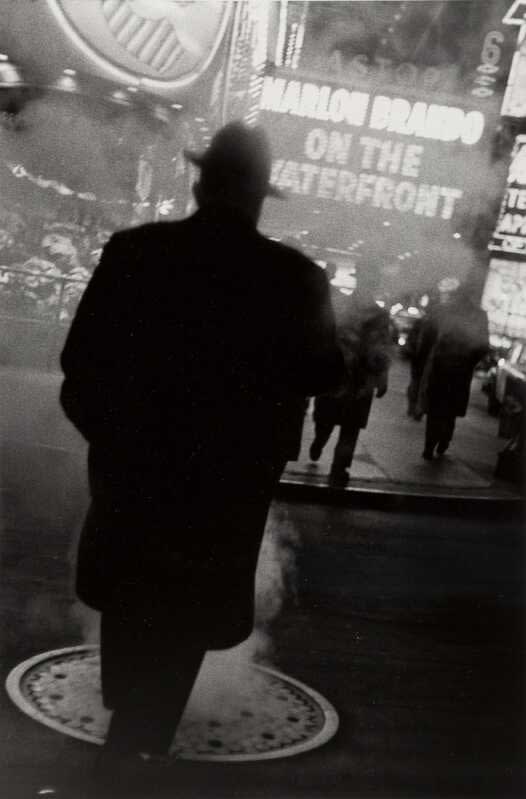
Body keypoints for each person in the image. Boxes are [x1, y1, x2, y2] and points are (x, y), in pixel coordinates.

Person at [60, 121, 343, 767]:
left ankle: (125, 746)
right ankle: (138, 750)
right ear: (258, 196)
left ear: (199, 182)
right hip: (219, 508)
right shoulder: (294, 279)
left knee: (130, 624)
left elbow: (79, 368)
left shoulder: (135, 253)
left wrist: (117, 444)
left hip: (132, 492)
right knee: (177, 640)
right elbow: (325, 372)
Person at [309, 269, 391, 487]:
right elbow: (382, 349)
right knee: (349, 426)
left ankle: (325, 449)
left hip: (337, 374)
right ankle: (338, 465)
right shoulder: (379, 315)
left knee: (330, 419)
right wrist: (381, 377)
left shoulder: (340, 305)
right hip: (357, 380)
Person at [416, 283, 489, 460]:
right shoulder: (478, 315)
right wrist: (470, 362)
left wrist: (423, 359)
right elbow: (483, 346)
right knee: (449, 410)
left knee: (435, 407)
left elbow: (426, 338)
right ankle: (443, 441)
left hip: (439, 366)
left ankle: (430, 445)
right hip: (460, 371)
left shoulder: (442, 311)